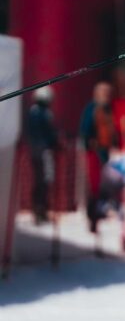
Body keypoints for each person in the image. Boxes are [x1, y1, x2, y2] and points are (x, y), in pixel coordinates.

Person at [79, 81, 119, 232]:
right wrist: (89, 141)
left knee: (104, 183)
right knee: (94, 183)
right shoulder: (92, 108)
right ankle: (93, 214)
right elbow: (85, 130)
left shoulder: (109, 109)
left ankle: (101, 209)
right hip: (94, 152)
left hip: (105, 152)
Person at [26, 86, 59, 224]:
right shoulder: (42, 113)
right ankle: (40, 210)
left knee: (40, 180)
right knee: (44, 180)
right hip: (43, 150)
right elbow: (48, 132)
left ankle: (39, 209)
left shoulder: (33, 112)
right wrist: (55, 142)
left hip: (35, 149)